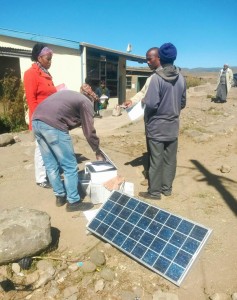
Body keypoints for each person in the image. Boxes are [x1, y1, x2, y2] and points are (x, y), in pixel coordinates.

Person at [32, 90, 105, 212]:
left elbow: (69, 118)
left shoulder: (70, 95)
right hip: (53, 125)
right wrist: (97, 150)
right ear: (92, 100)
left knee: (50, 164)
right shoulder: (86, 102)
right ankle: (73, 202)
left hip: (36, 121)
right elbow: (89, 130)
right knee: (70, 165)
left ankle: (60, 196)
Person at [139, 43, 186, 200]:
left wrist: (145, 101)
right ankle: (167, 189)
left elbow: (152, 103)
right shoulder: (181, 78)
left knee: (156, 159)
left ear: (161, 58)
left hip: (157, 127)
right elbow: (183, 103)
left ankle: (154, 192)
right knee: (170, 159)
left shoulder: (157, 78)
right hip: (173, 126)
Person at [123, 47, 162, 186]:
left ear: (159, 58)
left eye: (149, 59)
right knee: (152, 149)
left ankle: (154, 179)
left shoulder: (165, 76)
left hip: (160, 120)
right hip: (151, 119)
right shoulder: (152, 77)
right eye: (146, 59)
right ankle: (153, 176)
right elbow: (142, 93)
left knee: (157, 151)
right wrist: (132, 101)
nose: (147, 62)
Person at [24, 43, 57, 188]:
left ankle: (49, 174)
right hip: (40, 118)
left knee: (50, 148)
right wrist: (39, 119)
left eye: (51, 59)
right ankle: (41, 178)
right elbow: (31, 100)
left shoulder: (47, 74)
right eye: (48, 59)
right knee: (41, 148)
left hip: (51, 117)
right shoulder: (31, 74)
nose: (50, 61)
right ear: (39, 57)